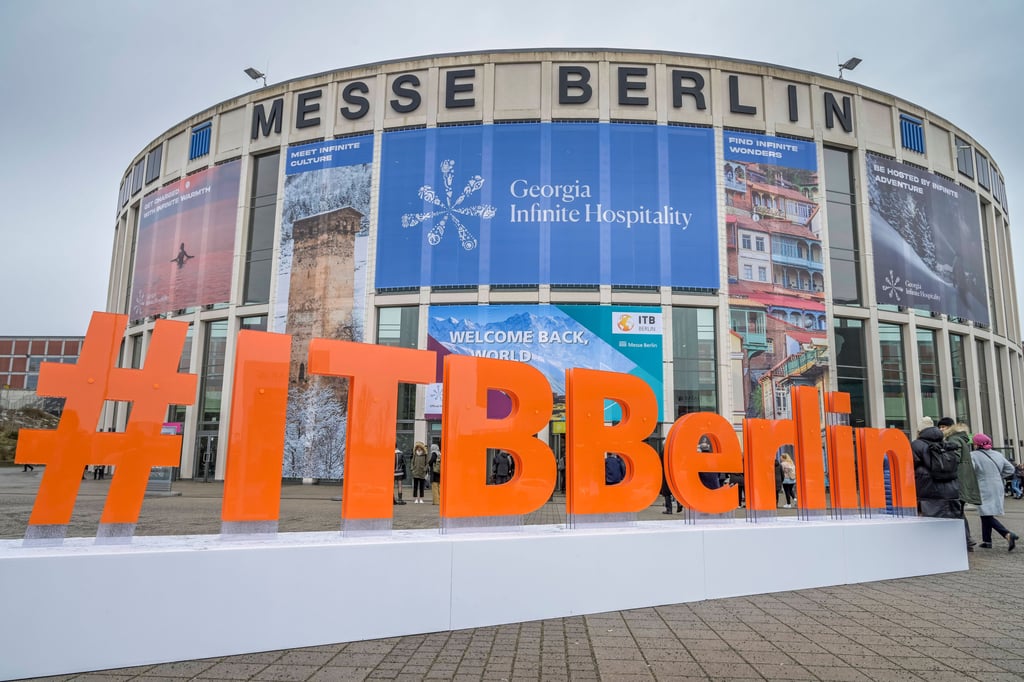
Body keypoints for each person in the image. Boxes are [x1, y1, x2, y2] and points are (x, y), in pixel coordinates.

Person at [970, 433, 1019, 551]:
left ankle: (1007, 534)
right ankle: (987, 541)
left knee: (985, 512)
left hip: (983, 485)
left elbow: (970, 470)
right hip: (998, 485)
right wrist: (998, 476)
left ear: (976, 444)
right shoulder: (998, 454)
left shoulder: (973, 455)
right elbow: (1011, 469)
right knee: (986, 513)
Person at [938, 417, 980, 550]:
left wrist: (941, 455)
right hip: (962, 481)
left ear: (950, 427)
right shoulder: (961, 439)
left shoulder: (953, 439)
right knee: (959, 511)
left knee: (957, 511)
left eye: (943, 427)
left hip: (958, 481)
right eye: (940, 427)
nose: (941, 429)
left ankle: (967, 540)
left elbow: (954, 458)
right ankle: (967, 541)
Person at [910, 417, 962, 519]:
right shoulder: (945, 444)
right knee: (952, 526)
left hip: (928, 493)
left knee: (929, 529)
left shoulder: (916, 445)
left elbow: (910, 467)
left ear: (919, 431)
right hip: (951, 492)